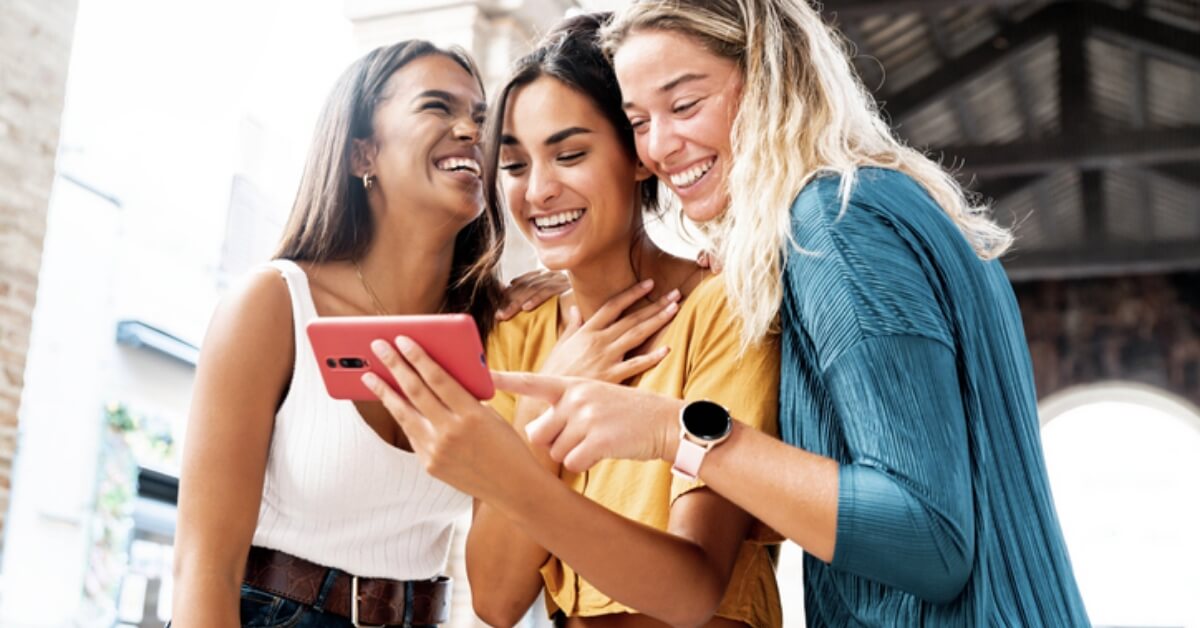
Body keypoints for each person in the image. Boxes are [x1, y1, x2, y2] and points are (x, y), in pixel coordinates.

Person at [492, 1, 1092, 626]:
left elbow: (932, 538)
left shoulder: (835, 225)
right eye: (640, 121)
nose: (661, 149)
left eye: (686, 105)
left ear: (770, 78)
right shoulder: (864, 209)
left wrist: (676, 432)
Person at [361, 14, 782, 628]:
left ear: (638, 157)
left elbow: (691, 590)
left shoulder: (719, 309)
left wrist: (524, 449)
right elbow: (496, 598)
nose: (538, 192)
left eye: (571, 154)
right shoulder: (520, 333)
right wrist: (539, 415)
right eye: (514, 165)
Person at [172, 40, 509, 627]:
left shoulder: (495, 331)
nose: (470, 130)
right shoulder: (275, 304)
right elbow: (204, 568)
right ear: (362, 155)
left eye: (481, 118)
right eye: (437, 107)